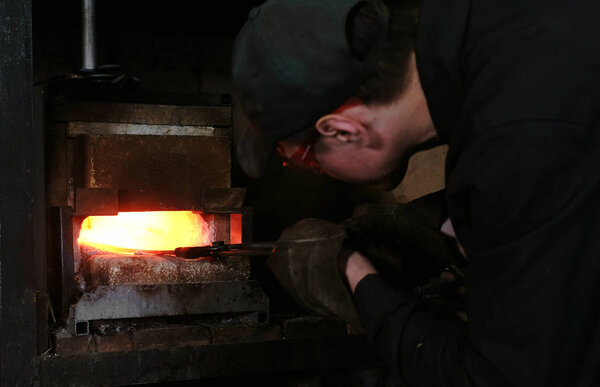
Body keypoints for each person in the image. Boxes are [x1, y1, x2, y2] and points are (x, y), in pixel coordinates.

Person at [231, 0, 600, 385]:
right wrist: (437, 220)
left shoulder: (519, 143)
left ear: (344, 130)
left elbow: (504, 377)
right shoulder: (491, 32)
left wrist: (351, 271)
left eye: (305, 160)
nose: (318, 172)